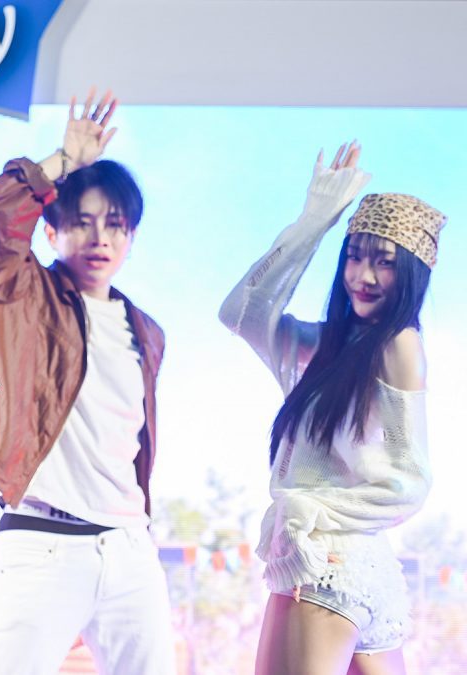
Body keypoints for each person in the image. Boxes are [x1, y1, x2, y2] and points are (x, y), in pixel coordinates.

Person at [0, 91, 176, 674]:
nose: (100, 238)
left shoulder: (147, 332)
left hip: (129, 547)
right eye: (81, 223)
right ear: (51, 232)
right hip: (42, 542)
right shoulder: (23, 293)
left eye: (115, 225)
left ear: (131, 237)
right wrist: (64, 161)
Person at [219, 141, 442, 674]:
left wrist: (312, 514)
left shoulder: (398, 343)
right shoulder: (323, 348)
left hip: (326, 566)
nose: (363, 276)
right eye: (355, 256)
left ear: (411, 274)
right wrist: (316, 219)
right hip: (358, 570)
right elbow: (243, 312)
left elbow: (409, 480)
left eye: (384, 263)